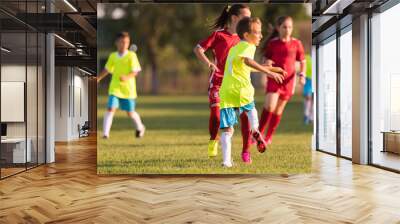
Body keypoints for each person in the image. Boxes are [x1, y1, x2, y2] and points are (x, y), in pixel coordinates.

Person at [219, 17, 286, 166]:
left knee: (227, 130)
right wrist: (270, 73)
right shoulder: (249, 46)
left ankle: (226, 162)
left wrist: (273, 68)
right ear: (246, 35)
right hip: (243, 90)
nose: (261, 36)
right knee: (251, 109)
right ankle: (255, 130)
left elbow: (249, 65)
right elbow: (249, 61)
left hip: (227, 92)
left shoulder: (235, 48)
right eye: (257, 32)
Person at [194, 4, 253, 158]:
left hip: (237, 86)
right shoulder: (218, 35)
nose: (249, 21)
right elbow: (198, 49)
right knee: (216, 115)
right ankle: (213, 140)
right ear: (234, 18)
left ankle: (246, 151)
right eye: (246, 17)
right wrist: (208, 63)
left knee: (245, 117)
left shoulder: (246, 39)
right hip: (218, 83)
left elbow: (248, 61)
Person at [258, 16, 306, 144]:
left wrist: (302, 75)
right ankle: (258, 134)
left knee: (278, 110)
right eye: (284, 27)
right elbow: (265, 59)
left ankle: (268, 136)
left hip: (288, 82)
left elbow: (302, 61)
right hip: (274, 79)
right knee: (269, 105)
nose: (287, 29)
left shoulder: (297, 43)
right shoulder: (272, 43)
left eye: (290, 27)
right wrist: (267, 63)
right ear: (278, 28)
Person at [97, 32, 145, 139]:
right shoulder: (113, 56)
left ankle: (140, 127)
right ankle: (105, 134)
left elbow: (135, 71)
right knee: (110, 109)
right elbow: (107, 69)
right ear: (117, 43)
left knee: (130, 112)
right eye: (122, 42)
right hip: (115, 88)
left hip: (128, 90)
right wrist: (98, 78)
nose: (124, 44)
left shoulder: (132, 56)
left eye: (127, 42)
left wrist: (126, 77)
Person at [303, 54, 313, 124]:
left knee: (313, 100)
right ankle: (306, 116)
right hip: (308, 79)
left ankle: (311, 117)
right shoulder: (306, 57)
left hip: (315, 79)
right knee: (308, 98)